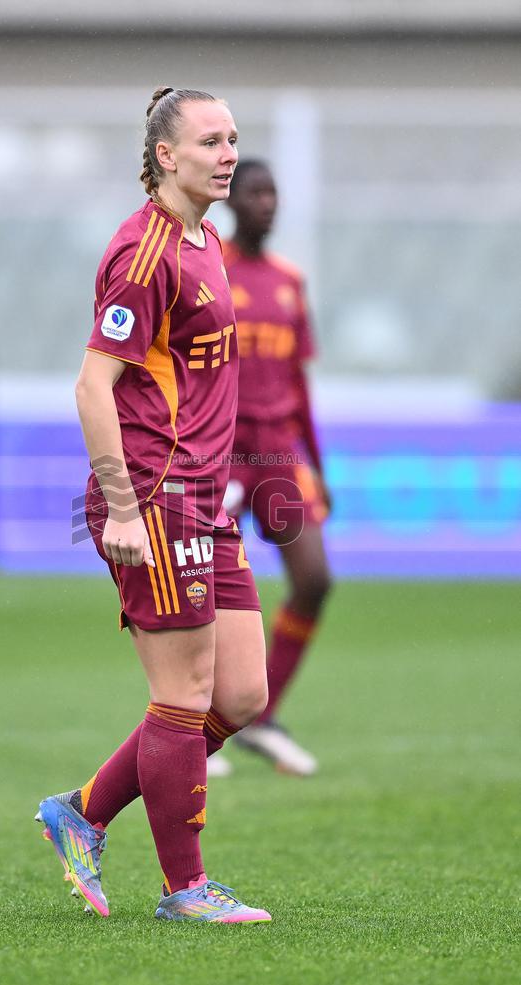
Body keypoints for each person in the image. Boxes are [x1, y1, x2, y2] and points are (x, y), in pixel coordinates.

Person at [35, 88, 271, 924]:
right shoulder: (145, 252)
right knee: (182, 695)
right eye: (210, 140)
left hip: (207, 499)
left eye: (234, 138)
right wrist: (124, 505)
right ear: (165, 156)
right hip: (156, 496)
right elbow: (92, 386)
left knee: (240, 697)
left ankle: (83, 813)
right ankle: (185, 890)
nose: (228, 153)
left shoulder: (206, 238)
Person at [213, 159, 332, 777]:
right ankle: (194, 728)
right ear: (232, 202)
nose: (267, 203)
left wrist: (319, 463)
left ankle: (262, 716)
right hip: (226, 452)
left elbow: (298, 381)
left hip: (278, 457)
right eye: (255, 193)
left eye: (273, 193)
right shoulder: (213, 270)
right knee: (197, 584)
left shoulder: (289, 280)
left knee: (313, 578)